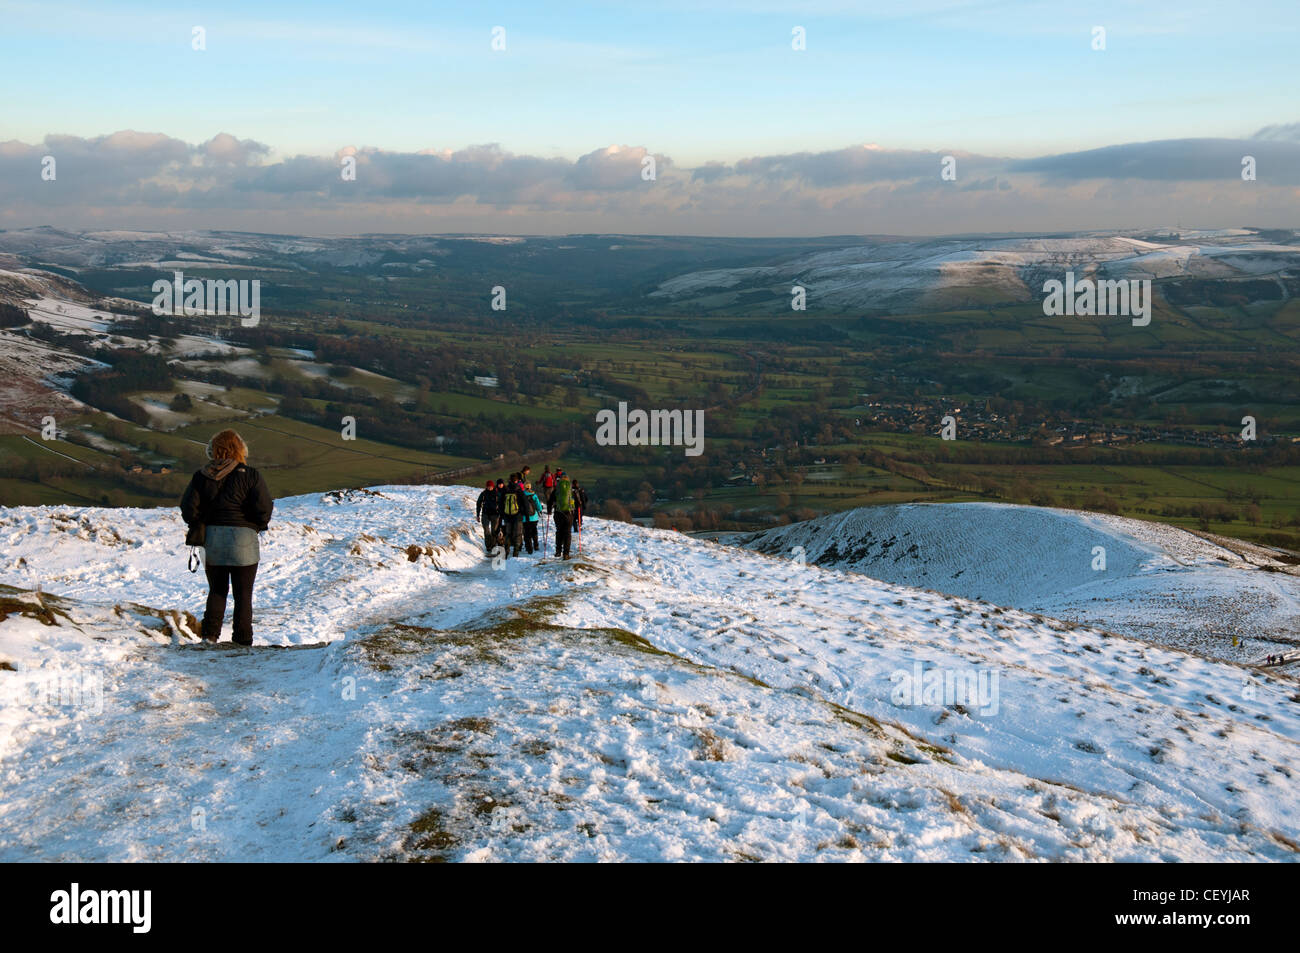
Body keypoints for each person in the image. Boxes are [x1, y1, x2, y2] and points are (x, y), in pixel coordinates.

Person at [180, 429, 273, 645]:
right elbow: (264, 508)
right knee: (243, 594)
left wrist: (201, 523)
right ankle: (242, 640)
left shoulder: (201, 476)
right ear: (239, 449)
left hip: (212, 540)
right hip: (244, 540)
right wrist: (255, 525)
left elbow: (188, 508)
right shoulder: (250, 474)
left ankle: (209, 636)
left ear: (214, 450)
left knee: (217, 590)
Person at [548, 470, 576, 559]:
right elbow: (578, 501)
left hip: (558, 513)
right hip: (569, 514)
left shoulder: (557, 489)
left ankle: (558, 551)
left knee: (559, 531)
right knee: (567, 533)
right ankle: (566, 554)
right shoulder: (571, 489)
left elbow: (550, 501)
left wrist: (549, 511)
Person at [499, 474, 526, 558]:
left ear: (510, 480)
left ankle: (506, 551)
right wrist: (526, 513)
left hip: (507, 515)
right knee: (517, 534)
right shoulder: (519, 490)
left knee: (508, 533)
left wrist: (502, 514)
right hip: (517, 516)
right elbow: (525, 503)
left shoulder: (505, 490)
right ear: (517, 481)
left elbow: (501, 503)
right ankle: (516, 552)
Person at [475, 480, 500, 554]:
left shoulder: (497, 494)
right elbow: (478, 504)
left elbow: (501, 503)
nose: (489, 488)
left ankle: (494, 545)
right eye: (488, 487)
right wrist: (477, 515)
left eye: (491, 487)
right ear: (486, 487)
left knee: (494, 531)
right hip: (485, 514)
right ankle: (488, 546)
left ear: (493, 486)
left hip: (495, 514)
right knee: (486, 530)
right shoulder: (483, 494)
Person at [521, 481, 543, 554]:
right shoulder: (533, 495)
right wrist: (540, 510)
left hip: (525, 518)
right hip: (534, 517)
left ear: (524, 487)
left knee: (526, 533)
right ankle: (536, 545)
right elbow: (538, 505)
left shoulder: (522, 495)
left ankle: (529, 548)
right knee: (534, 531)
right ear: (530, 487)